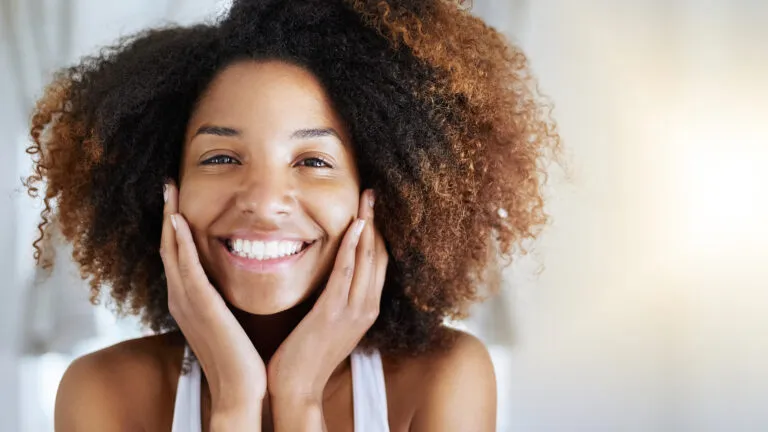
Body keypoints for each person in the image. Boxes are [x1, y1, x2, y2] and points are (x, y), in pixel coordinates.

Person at [26, 0, 558, 430]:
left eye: (312, 161)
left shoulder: (443, 379)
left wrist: (300, 400)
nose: (262, 200)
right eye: (221, 158)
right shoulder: (103, 393)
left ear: (381, 193)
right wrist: (235, 404)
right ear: (164, 188)